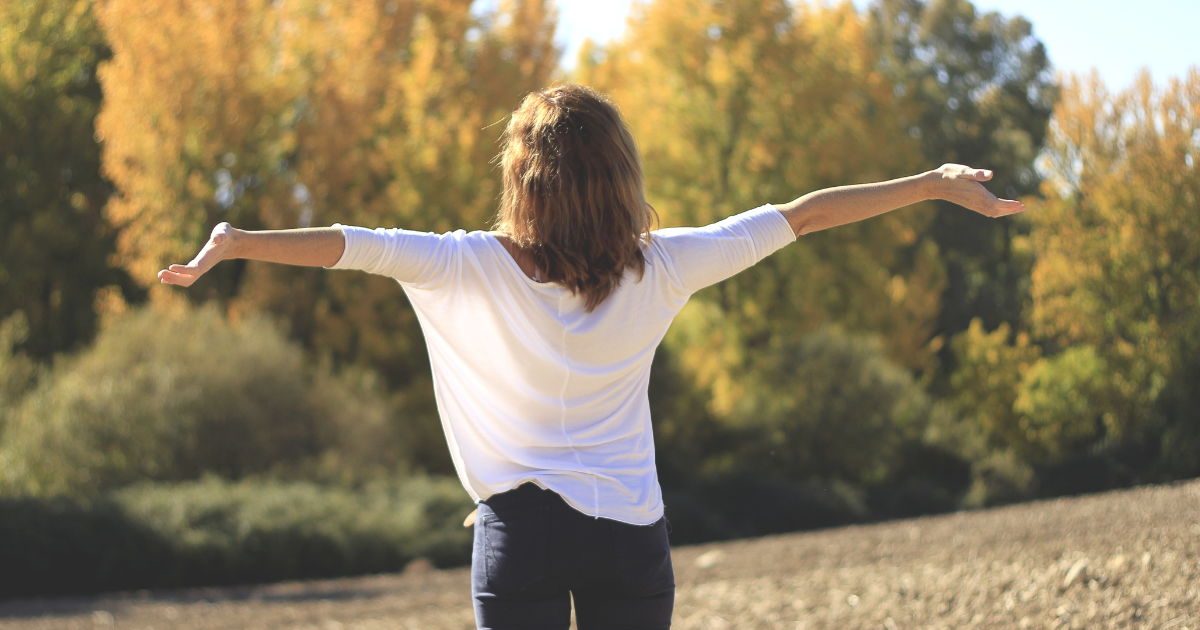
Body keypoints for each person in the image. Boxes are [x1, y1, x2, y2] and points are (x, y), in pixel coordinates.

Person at [158, 83, 1023, 630]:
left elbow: (350, 245)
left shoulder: (464, 264)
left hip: (517, 536)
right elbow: (801, 215)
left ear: (520, 182)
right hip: (628, 536)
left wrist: (235, 243)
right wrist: (930, 184)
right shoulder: (666, 265)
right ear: (622, 177)